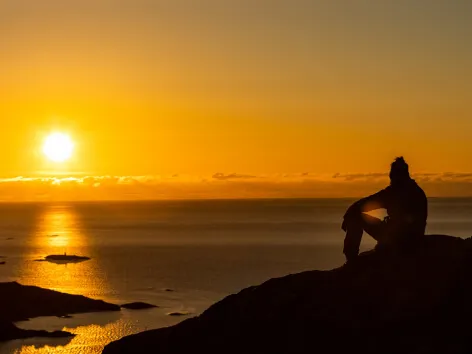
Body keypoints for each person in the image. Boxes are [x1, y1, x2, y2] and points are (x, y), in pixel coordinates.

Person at [341, 157, 427, 261]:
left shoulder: (394, 192)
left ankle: (351, 259)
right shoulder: (418, 191)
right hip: (412, 239)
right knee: (355, 213)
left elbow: (364, 204)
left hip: (397, 240)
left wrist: (349, 214)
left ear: (395, 175)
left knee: (356, 216)